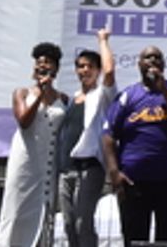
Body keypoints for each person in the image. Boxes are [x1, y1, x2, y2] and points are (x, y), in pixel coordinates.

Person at [101, 45, 167, 245]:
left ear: (163, 64)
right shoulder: (128, 96)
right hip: (134, 183)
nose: (152, 61)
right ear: (139, 64)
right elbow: (108, 136)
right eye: (147, 58)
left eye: (157, 57)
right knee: (134, 240)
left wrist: (164, 90)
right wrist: (114, 172)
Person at [0, 42, 69, 246]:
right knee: (17, 211)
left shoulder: (63, 98)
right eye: (39, 63)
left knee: (44, 212)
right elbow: (24, 122)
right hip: (25, 160)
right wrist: (40, 95)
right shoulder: (22, 93)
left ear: (56, 69)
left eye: (48, 63)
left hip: (48, 162)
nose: (42, 66)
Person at [58, 29, 115, 247]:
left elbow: (110, 73)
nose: (85, 70)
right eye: (81, 66)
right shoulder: (71, 99)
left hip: (89, 168)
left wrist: (103, 40)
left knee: (83, 223)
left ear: (97, 71)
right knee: (69, 224)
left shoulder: (101, 95)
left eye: (90, 66)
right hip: (66, 169)